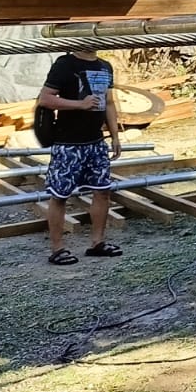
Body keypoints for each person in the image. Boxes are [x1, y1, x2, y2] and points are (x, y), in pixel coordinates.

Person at [36, 49, 123, 264]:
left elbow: (109, 102)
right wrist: (79, 104)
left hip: (95, 142)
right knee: (60, 195)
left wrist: (114, 136)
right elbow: (44, 99)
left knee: (103, 192)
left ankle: (97, 243)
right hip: (68, 144)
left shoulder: (105, 66)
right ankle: (57, 249)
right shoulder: (65, 64)